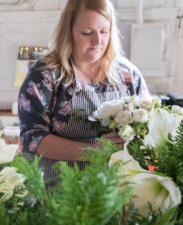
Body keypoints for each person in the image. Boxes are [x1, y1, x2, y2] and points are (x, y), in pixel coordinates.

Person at [18, 0, 150, 186]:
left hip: (114, 191)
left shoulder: (127, 75)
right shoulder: (45, 76)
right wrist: (92, 150)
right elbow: (32, 138)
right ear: (68, 32)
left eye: (104, 31)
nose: (97, 41)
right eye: (87, 33)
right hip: (57, 194)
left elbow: (148, 126)